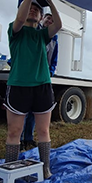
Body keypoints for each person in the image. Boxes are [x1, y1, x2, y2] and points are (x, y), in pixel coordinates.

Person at [4, 0, 62, 179]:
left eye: (38, 9)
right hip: (19, 86)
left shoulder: (42, 35)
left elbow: (58, 26)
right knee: (14, 132)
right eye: (31, 7)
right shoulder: (15, 31)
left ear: (41, 18)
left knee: (44, 131)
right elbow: (20, 18)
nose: (34, 10)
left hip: (42, 87)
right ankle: (9, 170)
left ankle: (45, 168)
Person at [19, 12, 59, 150]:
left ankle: (28, 138)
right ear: (42, 18)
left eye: (52, 20)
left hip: (42, 79)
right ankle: (17, 141)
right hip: (27, 77)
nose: (50, 21)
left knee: (34, 113)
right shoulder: (32, 31)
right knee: (21, 111)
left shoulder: (54, 40)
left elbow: (53, 60)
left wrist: (49, 73)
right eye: (48, 18)